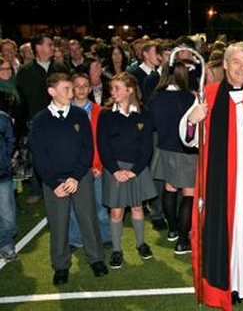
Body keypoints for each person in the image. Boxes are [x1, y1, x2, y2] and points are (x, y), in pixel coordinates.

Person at [180, 41, 243, 309]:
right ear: (225, 64)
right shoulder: (208, 95)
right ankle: (228, 286)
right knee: (226, 231)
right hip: (221, 183)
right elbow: (189, 138)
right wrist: (193, 118)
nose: (242, 68)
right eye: (236, 62)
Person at [29, 73, 108, 285]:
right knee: (58, 224)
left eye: (71, 89)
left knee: (88, 219)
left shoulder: (80, 115)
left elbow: (87, 149)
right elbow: (39, 155)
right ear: (51, 91)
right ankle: (61, 265)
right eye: (66, 89)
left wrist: (75, 177)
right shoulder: (40, 120)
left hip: (80, 177)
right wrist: (54, 183)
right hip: (53, 182)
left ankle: (96, 259)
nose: (71, 93)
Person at [97, 72, 157, 269]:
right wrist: (115, 171)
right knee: (116, 211)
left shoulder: (143, 113)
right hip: (114, 169)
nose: (112, 92)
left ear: (129, 90)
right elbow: (103, 145)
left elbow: (147, 145)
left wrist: (135, 170)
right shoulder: (105, 115)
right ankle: (116, 250)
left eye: (116, 88)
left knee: (138, 207)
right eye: (111, 88)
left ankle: (141, 244)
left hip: (136, 169)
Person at [147, 61, 198, 254]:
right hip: (185, 152)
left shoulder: (155, 97)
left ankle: (173, 230)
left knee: (169, 189)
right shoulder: (187, 98)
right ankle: (183, 240)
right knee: (188, 194)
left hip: (163, 148)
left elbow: (152, 124)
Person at [16, 32, 69, 205]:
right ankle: (37, 189)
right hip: (35, 120)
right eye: (49, 44)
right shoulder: (24, 71)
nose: (52, 47)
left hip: (60, 119)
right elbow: (21, 99)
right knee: (36, 156)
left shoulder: (61, 68)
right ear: (38, 47)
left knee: (60, 152)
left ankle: (62, 184)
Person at [67, 73, 111, 249]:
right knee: (73, 208)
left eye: (85, 86)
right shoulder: (64, 111)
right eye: (77, 85)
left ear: (90, 89)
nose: (81, 89)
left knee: (100, 206)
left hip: (96, 167)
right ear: (71, 87)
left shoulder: (99, 112)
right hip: (72, 169)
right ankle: (75, 238)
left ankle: (105, 235)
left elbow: (102, 143)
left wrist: (99, 166)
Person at [0, 94, 17, 262]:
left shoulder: (3, 119)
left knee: (8, 216)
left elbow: (11, 142)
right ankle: (6, 247)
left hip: (2, 175)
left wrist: (3, 159)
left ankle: (5, 243)